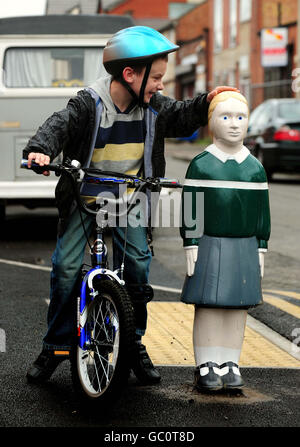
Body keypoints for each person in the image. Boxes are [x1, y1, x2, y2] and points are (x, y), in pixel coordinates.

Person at [23, 25, 237, 385]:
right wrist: (40, 149)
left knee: (138, 265)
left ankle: (134, 341)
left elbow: (183, 115)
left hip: (127, 199)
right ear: (129, 75)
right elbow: (58, 125)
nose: (160, 86)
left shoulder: (153, 108)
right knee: (65, 269)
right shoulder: (89, 104)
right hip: (85, 198)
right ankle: (56, 345)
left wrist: (209, 100)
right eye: (155, 78)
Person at [180, 91, 271, 391]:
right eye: (225, 117)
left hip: (245, 245)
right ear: (211, 122)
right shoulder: (202, 165)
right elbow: (191, 205)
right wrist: (191, 240)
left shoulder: (254, 169)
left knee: (237, 306)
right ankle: (205, 362)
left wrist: (261, 244)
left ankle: (230, 361)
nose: (234, 124)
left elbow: (262, 211)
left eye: (241, 117)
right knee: (208, 305)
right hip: (209, 243)